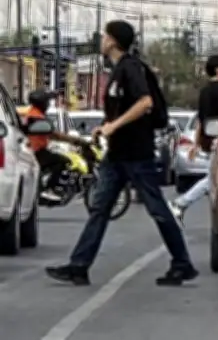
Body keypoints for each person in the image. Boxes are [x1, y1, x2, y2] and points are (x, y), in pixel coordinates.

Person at [46, 20, 198, 287]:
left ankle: (182, 263)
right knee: (99, 209)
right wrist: (105, 128)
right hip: (117, 155)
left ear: (114, 41)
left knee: (157, 208)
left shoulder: (130, 68)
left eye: (105, 36)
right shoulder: (117, 71)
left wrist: (114, 126)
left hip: (137, 154)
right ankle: (79, 265)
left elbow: (145, 102)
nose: (101, 40)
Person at [169, 55, 218, 223]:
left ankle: (181, 205)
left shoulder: (204, 91)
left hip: (207, 138)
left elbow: (200, 120)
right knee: (214, 179)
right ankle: (180, 204)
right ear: (217, 69)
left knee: (214, 178)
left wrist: (196, 144)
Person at [24, 90, 91, 202]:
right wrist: (76, 140)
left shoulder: (35, 113)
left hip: (37, 150)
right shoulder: (35, 116)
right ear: (42, 103)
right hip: (35, 151)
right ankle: (49, 188)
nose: (48, 104)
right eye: (47, 102)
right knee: (62, 161)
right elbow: (54, 135)